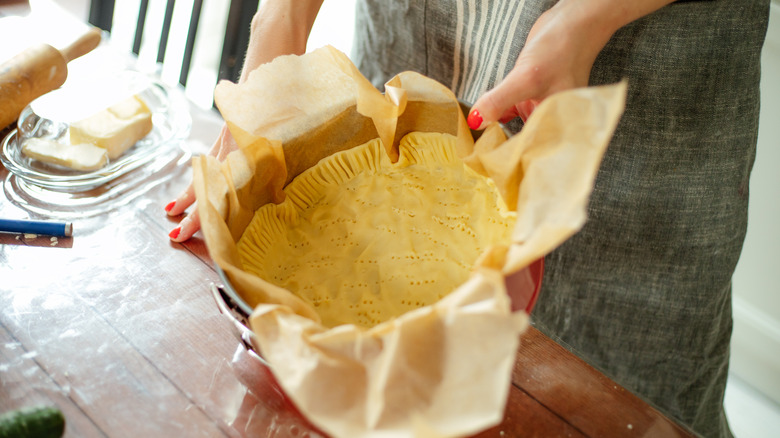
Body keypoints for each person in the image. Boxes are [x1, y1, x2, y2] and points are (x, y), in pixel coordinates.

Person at [164, 1, 770, 436]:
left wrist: (585, 17)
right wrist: (279, 24)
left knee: (622, 408)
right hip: (417, 36)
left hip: (637, 107)